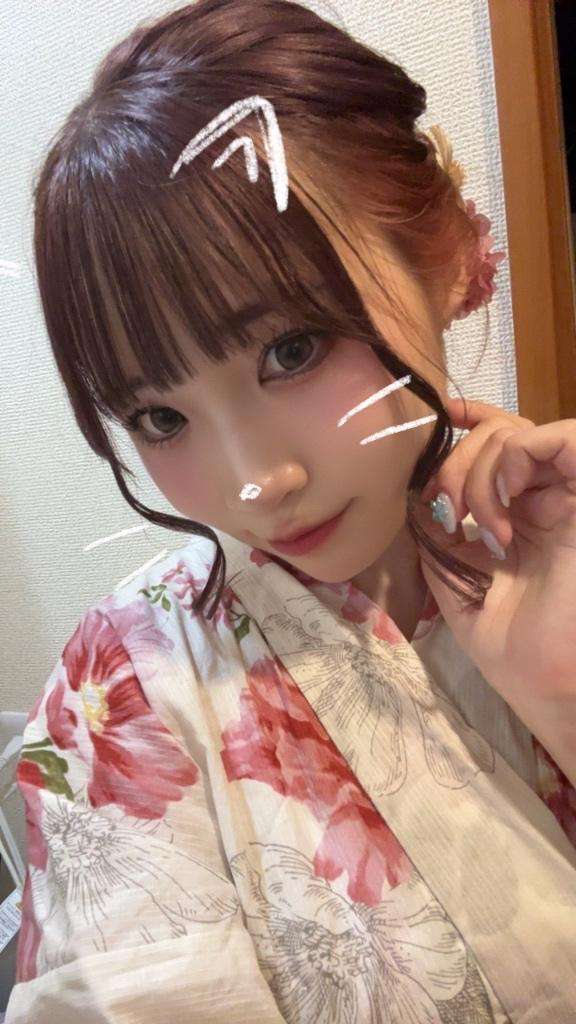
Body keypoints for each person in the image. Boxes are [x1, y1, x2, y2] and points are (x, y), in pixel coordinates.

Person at [6, 1, 576, 1021]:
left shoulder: (560, 537)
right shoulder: (123, 695)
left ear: (442, 255)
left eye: (291, 349)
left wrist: (561, 697)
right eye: (159, 415)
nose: (253, 482)